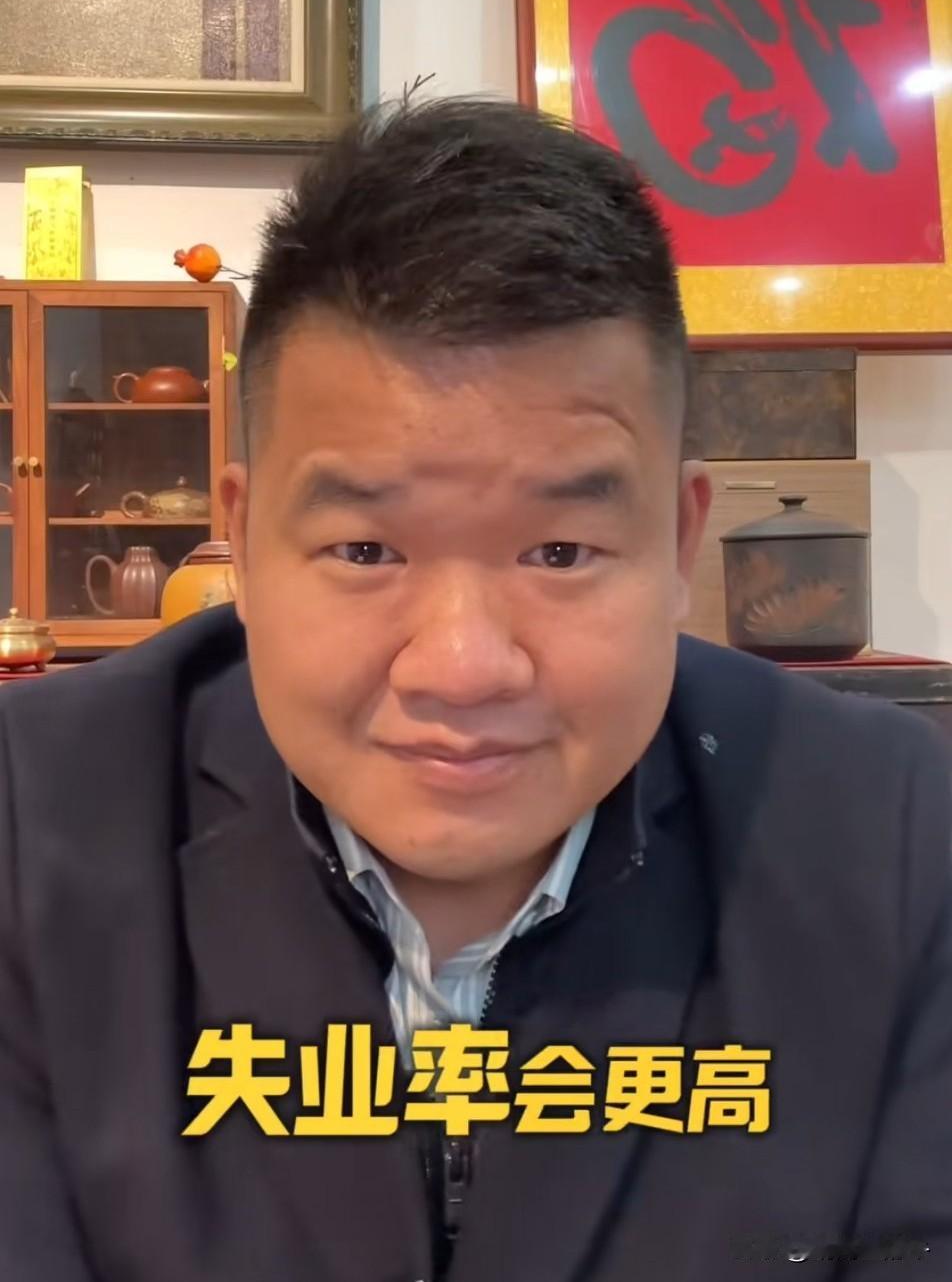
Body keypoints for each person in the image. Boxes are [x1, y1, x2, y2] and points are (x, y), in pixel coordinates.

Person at [0, 98, 950, 1282]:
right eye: (366, 550)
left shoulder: (893, 836)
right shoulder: (31, 820)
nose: (460, 668)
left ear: (676, 540)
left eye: (558, 551)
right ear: (242, 541)